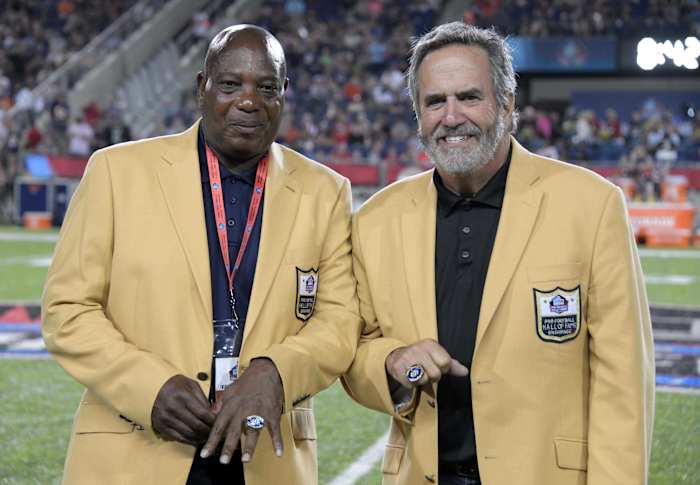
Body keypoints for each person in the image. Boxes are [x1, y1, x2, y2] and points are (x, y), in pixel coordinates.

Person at [42, 25, 360, 485]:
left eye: (266, 87)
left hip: (264, 455)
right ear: (201, 88)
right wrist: (149, 387)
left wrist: (276, 373)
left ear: (284, 93)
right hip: (137, 447)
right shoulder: (116, 172)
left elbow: (340, 321)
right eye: (230, 84)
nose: (248, 101)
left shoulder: (325, 193)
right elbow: (67, 310)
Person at [342, 22, 654, 485]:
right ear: (418, 114)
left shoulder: (590, 204)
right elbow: (356, 349)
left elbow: (623, 383)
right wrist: (390, 361)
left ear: (508, 105)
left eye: (469, 97)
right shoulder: (376, 219)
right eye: (434, 102)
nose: (451, 117)